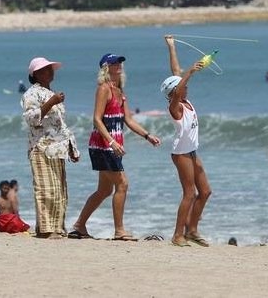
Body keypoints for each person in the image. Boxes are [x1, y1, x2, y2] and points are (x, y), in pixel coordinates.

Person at [68, 53, 161, 240]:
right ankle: (119, 231)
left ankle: (79, 225)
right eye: (114, 63)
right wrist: (111, 141)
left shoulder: (120, 91)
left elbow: (128, 119)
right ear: (105, 68)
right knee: (122, 183)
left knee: (104, 190)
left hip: (112, 145)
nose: (119, 65)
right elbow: (96, 118)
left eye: (120, 62)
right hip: (102, 145)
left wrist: (147, 135)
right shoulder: (104, 89)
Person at [161, 35, 212, 247]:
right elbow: (180, 81)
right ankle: (177, 235)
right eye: (181, 87)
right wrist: (190, 72)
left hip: (192, 152)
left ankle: (192, 230)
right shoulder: (176, 106)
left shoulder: (184, 99)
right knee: (189, 194)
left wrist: (171, 46)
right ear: (174, 93)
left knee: (206, 191)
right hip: (181, 154)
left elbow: (175, 71)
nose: (186, 88)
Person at [21, 57, 80, 239]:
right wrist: (51, 102)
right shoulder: (32, 93)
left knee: (59, 190)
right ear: (36, 74)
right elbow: (31, 119)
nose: (50, 71)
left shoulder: (50, 92)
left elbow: (60, 125)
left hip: (57, 148)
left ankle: (57, 228)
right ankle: (46, 230)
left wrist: (72, 147)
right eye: (45, 69)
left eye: (50, 69)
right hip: (41, 147)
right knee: (45, 188)